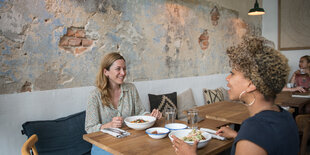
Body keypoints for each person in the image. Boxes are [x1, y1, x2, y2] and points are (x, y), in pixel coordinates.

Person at [171, 36, 299, 155]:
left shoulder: (254, 130)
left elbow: (258, 138)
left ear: (251, 84)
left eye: (232, 73)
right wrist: (237, 136)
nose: (227, 78)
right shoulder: (285, 116)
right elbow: (268, 143)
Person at [85, 52, 162, 154]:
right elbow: (90, 128)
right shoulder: (94, 96)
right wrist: (109, 125)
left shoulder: (131, 89)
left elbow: (141, 112)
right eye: (118, 69)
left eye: (124, 69)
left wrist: (151, 116)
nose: (123, 73)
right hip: (104, 146)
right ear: (106, 72)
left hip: (129, 142)